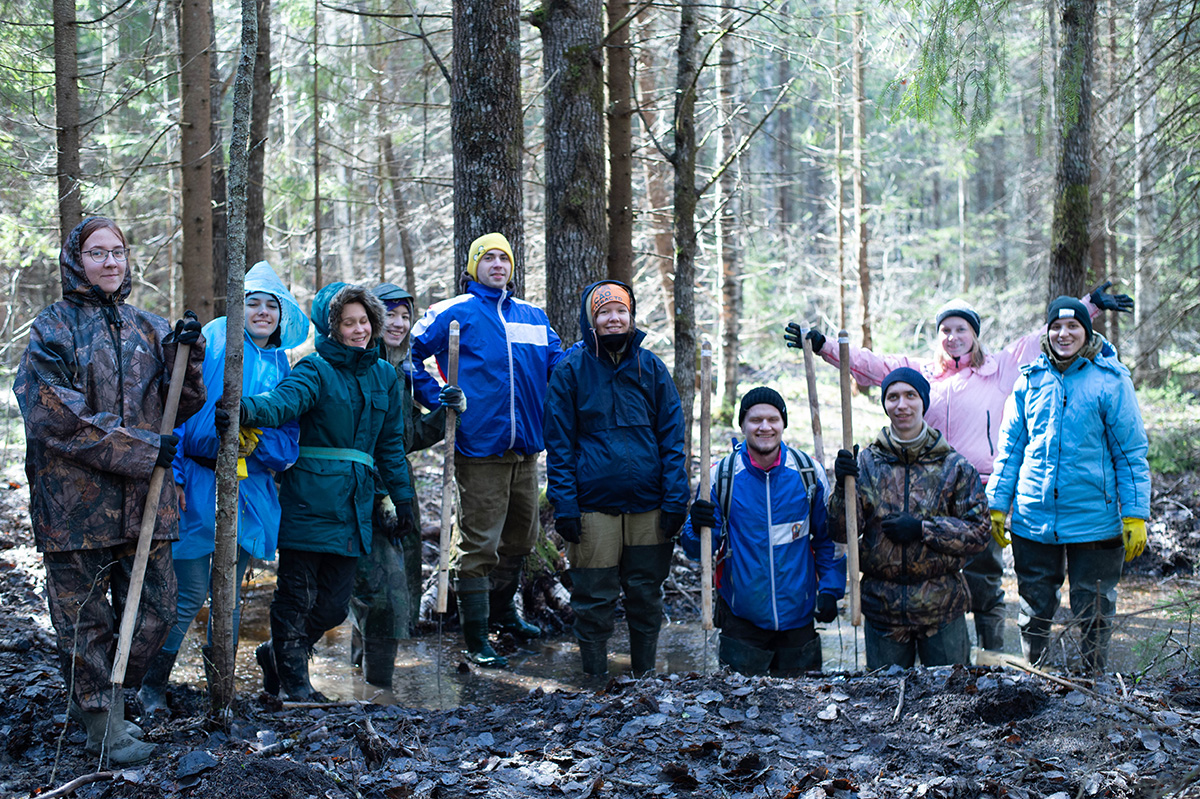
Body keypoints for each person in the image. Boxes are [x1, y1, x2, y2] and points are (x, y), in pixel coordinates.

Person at [786, 282, 1133, 652]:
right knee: (932, 576)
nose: (953, 337)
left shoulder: (1001, 369)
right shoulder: (922, 373)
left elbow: (1048, 334)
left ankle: (991, 654)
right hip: (925, 491)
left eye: (961, 329)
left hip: (978, 493)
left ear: (974, 333)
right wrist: (823, 346)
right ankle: (939, 652)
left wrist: (1090, 305)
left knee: (983, 582)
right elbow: (871, 364)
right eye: (946, 330)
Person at [15, 217, 205, 763]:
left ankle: (111, 698)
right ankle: (101, 721)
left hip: (146, 502)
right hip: (73, 504)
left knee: (157, 609)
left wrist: (185, 359)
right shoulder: (51, 328)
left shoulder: (147, 326)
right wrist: (144, 449)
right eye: (97, 253)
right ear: (77, 260)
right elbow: (54, 417)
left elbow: (179, 404)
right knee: (85, 618)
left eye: (117, 252)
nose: (109, 262)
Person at [137, 262, 308, 714]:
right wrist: (172, 477)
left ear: (283, 314)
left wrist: (255, 441)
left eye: (272, 305)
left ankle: (221, 692)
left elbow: (288, 442)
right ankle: (151, 686)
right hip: (194, 482)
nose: (262, 312)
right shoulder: (214, 340)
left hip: (249, 492)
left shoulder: (282, 364)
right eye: (252, 303)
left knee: (228, 595)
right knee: (189, 591)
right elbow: (173, 406)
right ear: (238, 308)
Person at [238, 282, 414, 701]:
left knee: (335, 605)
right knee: (296, 595)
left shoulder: (385, 375)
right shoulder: (314, 370)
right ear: (332, 327)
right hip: (309, 497)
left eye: (365, 321)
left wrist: (402, 495)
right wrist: (244, 409)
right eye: (349, 322)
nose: (360, 330)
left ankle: (276, 654)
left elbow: (389, 442)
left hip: (356, 503)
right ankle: (297, 685)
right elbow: (281, 403)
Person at [410, 232, 564, 668]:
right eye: (488, 258)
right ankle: (475, 637)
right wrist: (436, 394)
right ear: (473, 266)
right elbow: (407, 354)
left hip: (526, 449)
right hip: (478, 447)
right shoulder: (453, 312)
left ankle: (503, 613)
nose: (498, 264)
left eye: (504, 258)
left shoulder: (534, 318)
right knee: (479, 545)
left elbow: (563, 366)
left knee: (521, 539)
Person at [987, 297, 1150, 673]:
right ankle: (1037, 674)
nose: (1064, 334)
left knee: (1093, 607)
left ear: (1086, 331)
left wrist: (1135, 514)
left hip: (1095, 519)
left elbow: (1129, 453)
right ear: (1047, 331)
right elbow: (1010, 450)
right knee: (1034, 607)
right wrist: (998, 503)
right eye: (1056, 327)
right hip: (1033, 519)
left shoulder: (1110, 380)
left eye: (1073, 326)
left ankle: (1091, 681)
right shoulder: (1029, 381)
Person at [543, 281, 689, 676]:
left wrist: (676, 498)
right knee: (593, 598)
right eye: (605, 312)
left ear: (631, 316)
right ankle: (593, 681)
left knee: (646, 594)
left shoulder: (652, 367)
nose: (613, 318)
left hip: (649, 505)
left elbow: (672, 439)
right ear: (592, 319)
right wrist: (566, 505)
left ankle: (644, 677)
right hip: (593, 508)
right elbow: (558, 444)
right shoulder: (570, 370)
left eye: (620, 311)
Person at [829, 368, 991, 669]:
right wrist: (842, 488)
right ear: (884, 404)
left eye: (910, 396)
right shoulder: (866, 463)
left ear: (923, 402)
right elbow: (841, 531)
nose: (901, 405)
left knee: (951, 698)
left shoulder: (953, 466)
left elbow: (980, 533)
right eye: (892, 397)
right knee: (884, 702)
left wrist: (923, 529)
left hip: (942, 609)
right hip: (883, 611)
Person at [680, 387, 845, 677]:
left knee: (804, 710)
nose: (765, 427)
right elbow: (699, 551)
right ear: (742, 425)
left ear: (783, 423)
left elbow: (827, 540)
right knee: (736, 714)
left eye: (773, 419)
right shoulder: (722, 476)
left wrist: (830, 590)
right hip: (741, 620)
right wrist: (695, 525)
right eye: (756, 420)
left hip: (799, 618)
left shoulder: (809, 473)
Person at [348, 282, 465, 686]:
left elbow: (406, 437)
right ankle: (377, 692)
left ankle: (363, 680)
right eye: (391, 314)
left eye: (405, 316)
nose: (399, 324)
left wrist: (445, 415)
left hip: (401, 485)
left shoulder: (402, 370)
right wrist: (381, 495)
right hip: (363, 486)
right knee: (383, 588)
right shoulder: (359, 363)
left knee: (397, 581)